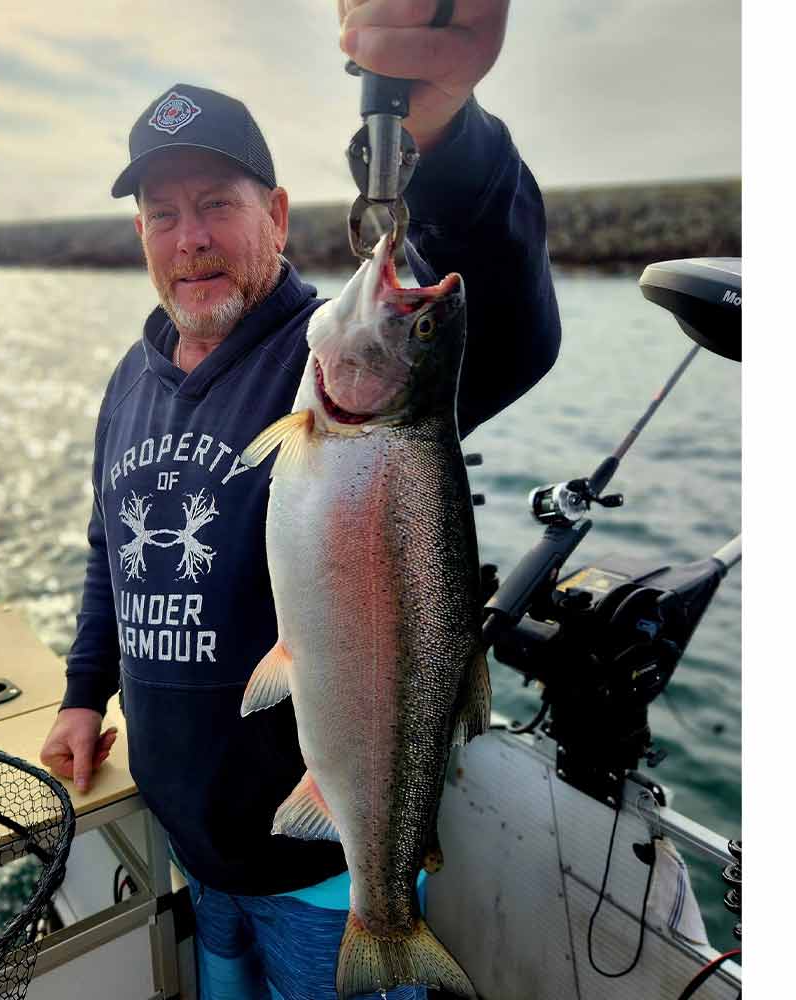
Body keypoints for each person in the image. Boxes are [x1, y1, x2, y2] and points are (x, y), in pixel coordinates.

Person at [40, 2, 560, 997]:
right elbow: (112, 549)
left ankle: (388, 921)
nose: (188, 238)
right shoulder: (130, 378)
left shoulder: (319, 356)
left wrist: (447, 127)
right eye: (161, 213)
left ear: (276, 213)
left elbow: (509, 327)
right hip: (191, 842)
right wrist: (79, 690)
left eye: (216, 203)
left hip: (319, 873)